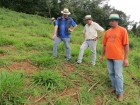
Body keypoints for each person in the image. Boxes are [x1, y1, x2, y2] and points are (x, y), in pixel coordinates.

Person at [100, 14, 129, 101]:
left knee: (118, 75)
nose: (111, 22)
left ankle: (120, 93)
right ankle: (114, 88)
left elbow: (126, 45)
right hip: (109, 57)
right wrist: (102, 55)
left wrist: (126, 58)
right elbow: (104, 45)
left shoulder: (123, 30)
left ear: (117, 21)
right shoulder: (107, 32)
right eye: (110, 20)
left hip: (118, 57)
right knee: (111, 74)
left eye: (113, 20)